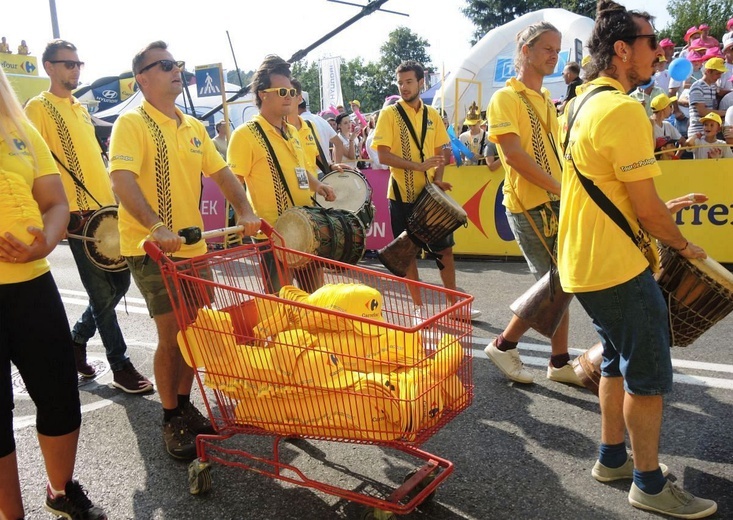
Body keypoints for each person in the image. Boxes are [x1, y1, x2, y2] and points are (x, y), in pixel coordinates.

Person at [557, 2, 717, 517]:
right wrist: (683, 245)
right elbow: (645, 209)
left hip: (584, 263)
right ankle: (648, 484)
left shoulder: (579, 103)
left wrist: (656, 213)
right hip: (617, 267)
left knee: (615, 363)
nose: (659, 51)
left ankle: (611, 458)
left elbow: (610, 192)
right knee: (647, 375)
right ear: (622, 49)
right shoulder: (624, 109)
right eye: (651, 42)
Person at [108, 41, 260, 461]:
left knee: (198, 331)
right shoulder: (132, 123)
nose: (177, 70)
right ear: (143, 77)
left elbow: (223, 173)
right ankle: (170, 416)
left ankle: (185, 401)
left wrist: (246, 209)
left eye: (178, 64)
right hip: (150, 247)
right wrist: (156, 227)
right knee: (172, 333)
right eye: (166, 65)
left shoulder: (192, 127)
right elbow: (122, 181)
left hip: (192, 246)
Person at [0, 67, 106, 520]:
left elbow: (56, 202)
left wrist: (45, 239)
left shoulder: (19, 127)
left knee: (61, 396)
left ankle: (60, 491)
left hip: (33, 284)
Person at [25, 39, 152, 393]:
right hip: (78, 216)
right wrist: (54, 214)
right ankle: (120, 364)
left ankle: (77, 340)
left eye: (78, 63)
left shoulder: (81, 108)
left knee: (121, 283)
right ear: (48, 67)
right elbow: (35, 165)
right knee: (99, 293)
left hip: (106, 211)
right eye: (68, 64)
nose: (75, 69)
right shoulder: (38, 108)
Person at [484, 22, 581, 385]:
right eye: (547, 48)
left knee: (561, 283)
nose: (554, 55)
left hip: (555, 201)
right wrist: (561, 188)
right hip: (529, 205)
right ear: (525, 49)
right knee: (552, 286)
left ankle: (558, 362)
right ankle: (504, 344)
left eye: (558, 50)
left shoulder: (545, 100)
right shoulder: (505, 98)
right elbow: (513, 157)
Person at [372, 60, 482, 322]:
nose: (404, 87)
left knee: (444, 250)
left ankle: (453, 306)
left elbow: (443, 150)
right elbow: (382, 155)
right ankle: (418, 308)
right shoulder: (388, 114)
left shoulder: (432, 114)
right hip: (401, 195)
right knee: (407, 253)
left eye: (409, 82)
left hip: (429, 196)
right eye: (400, 82)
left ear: (421, 82)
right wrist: (417, 166)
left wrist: (438, 180)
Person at [227, 55, 335, 294]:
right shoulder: (245, 135)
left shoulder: (292, 131)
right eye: (282, 92)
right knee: (282, 307)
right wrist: (244, 214)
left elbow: (298, 172)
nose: (291, 97)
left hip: (307, 229)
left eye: (291, 92)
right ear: (263, 93)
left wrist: (317, 185)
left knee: (317, 302)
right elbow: (234, 181)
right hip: (273, 235)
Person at [688, 58, 728, 136]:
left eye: (721, 73)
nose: (719, 76)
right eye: (717, 73)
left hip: (711, 133)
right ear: (708, 71)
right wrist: (727, 113)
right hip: (698, 133)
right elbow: (702, 111)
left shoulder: (713, 86)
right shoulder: (697, 86)